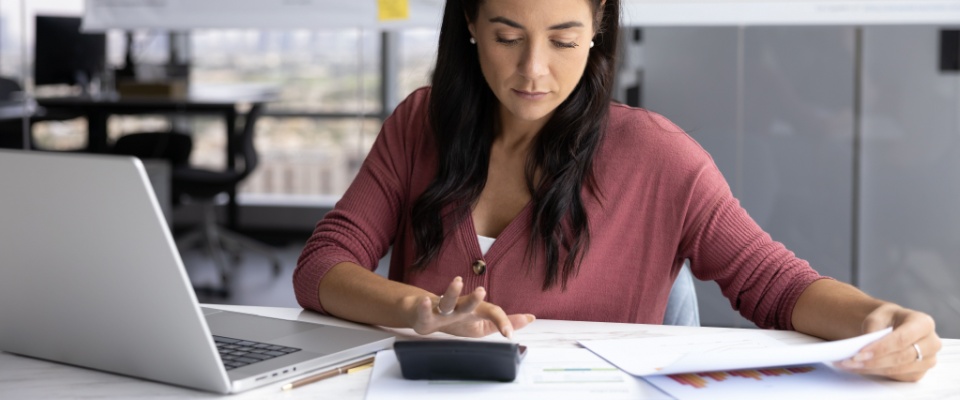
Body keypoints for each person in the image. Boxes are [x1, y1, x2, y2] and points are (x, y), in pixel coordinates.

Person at [294, 0, 941, 382]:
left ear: (599, 25)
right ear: (469, 23)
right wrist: (420, 312)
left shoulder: (658, 157)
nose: (533, 70)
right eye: (507, 37)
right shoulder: (419, 124)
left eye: (564, 39)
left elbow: (774, 284)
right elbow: (322, 266)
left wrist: (875, 320)